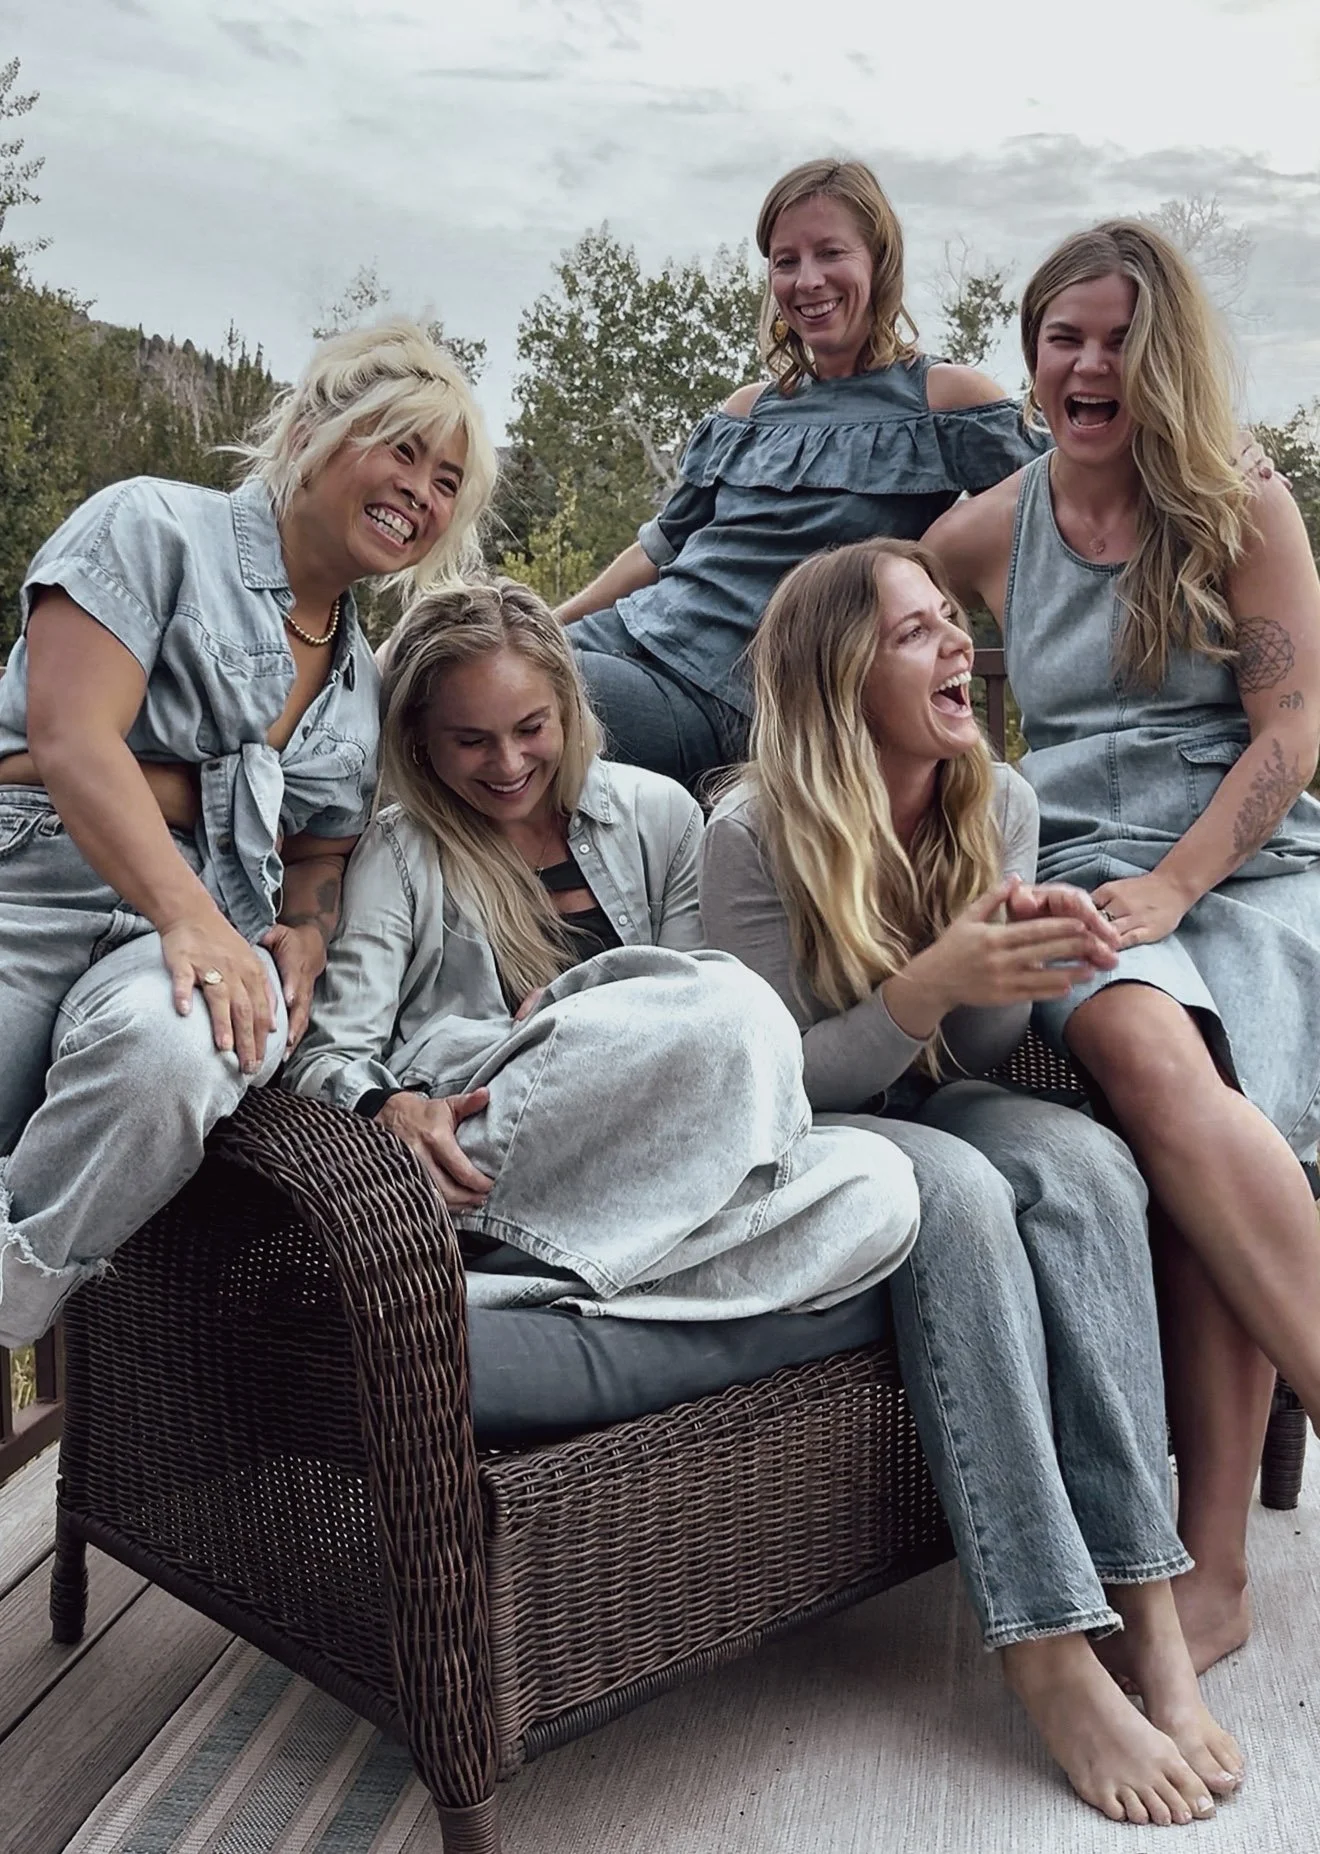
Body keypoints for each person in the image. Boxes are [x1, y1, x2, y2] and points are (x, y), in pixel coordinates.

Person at [700, 535, 1242, 1825]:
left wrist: (1020, 976)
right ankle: (1048, 1648)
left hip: (932, 1093)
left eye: (955, 620)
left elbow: (976, 1058)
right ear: (841, 672)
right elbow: (771, 1086)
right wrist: (933, 980)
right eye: (918, 630)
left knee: (1086, 1162)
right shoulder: (749, 833)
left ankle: (1148, 1611)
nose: (960, 646)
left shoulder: (992, 799)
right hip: (804, 1131)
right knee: (955, 1196)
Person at [924, 220, 1320, 1678]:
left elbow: (1291, 731)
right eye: (1062, 339)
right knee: (1163, 1057)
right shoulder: (993, 526)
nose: (1089, 364)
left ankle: (1212, 1574)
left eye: (1118, 338)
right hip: (1081, 871)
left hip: (1251, 861)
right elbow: (877, 631)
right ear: (1032, 358)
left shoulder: (1239, 502)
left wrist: (1183, 881)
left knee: (1232, 1102)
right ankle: (1210, 1559)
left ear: (1164, 359)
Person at [0, 319, 498, 1349]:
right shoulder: (152, 527)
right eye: (401, 449)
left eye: (447, 480)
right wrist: (193, 911)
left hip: (181, 948)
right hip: (34, 886)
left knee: (191, 1047)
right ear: (315, 429)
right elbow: (70, 738)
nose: (421, 491)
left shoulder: (364, 688)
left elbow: (319, 849)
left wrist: (308, 932)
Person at [285, 578, 920, 1319]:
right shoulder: (398, 853)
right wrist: (387, 1105)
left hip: (655, 1155)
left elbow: (701, 1032)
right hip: (490, 1151)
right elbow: (324, 1057)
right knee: (742, 1004)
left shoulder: (660, 816)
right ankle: (603, 1265)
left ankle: (564, 1294)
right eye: (471, 741)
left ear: (568, 709)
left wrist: (589, 1002)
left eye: (531, 729)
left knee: (880, 1186)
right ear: (420, 740)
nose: (508, 763)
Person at [555, 157, 1048, 787]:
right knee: (458, 658)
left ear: (879, 260)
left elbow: (1055, 510)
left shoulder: (943, 402)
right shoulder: (747, 410)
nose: (808, 280)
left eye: (830, 253)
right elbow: (659, 550)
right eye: (786, 261)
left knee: (505, 697)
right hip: (626, 637)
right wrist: (543, 621)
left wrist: (934, 560)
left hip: (733, 697)